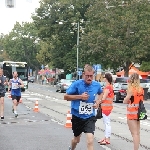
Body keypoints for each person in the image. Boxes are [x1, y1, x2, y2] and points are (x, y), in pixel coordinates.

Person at [64, 65, 103, 150]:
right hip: (77, 116)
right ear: (83, 74)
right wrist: (80, 97)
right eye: (87, 76)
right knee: (76, 140)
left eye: (91, 76)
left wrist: (98, 101)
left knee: (90, 140)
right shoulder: (77, 84)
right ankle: (71, 148)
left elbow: (101, 93)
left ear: (93, 75)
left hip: (89, 116)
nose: (89, 78)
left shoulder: (96, 85)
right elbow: (66, 97)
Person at [123, 73, 144, 150]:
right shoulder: (141, 89)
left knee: (134, 134)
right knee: (137, 133)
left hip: (131, 114)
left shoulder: (131, 89)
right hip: (139, 113)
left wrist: (127, 97)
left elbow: (125, 101)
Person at [98, 73, 114, 145]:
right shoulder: (109, 86)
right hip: (106, 107)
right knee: (106, 123)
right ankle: (106, 137)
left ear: (106, 78)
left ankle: (107, 138)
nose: (103, 78)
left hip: (106, 108)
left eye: (104, 77)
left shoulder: (108, 88)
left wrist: (98, 101)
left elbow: (104, 98)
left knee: (107, 123)